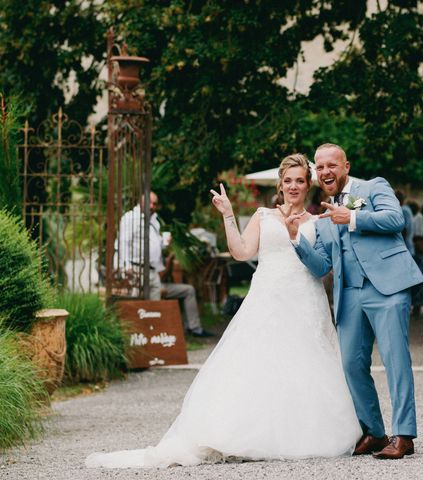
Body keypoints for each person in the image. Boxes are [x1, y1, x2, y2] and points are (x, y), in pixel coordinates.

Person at [86, 154, 361, 468]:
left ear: (308, 184)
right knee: (256, 364)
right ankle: (246, 432)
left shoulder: (318, 221)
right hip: (267, 298)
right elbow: (242, 252)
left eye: (300, 180)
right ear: (280, 185)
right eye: (288, 181)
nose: (294, 186)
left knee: (305, 364)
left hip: (304, 301)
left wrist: (297, 235)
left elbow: (322, 268)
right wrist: (229, 216)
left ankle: (300, 432)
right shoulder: (262, 215)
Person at [284, 143, 423, 460]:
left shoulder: (373, 187)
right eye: (319, 168)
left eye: (331, 165)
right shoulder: (321, 218)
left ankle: (404, 435)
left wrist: (353, 217)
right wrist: (296, 240)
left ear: (346, 165)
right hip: (350, 294)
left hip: (387, 287)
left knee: (395, 360)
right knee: (350, 364)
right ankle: (375, 432)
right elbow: (321, 266)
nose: (325, 172)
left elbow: (395, 219)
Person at [115, 192, 213, 338]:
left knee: (155, 305)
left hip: (152, 270)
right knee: (142, 305)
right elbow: (123, 244)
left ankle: (155, 338)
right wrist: (126, 266)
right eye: (150, 203)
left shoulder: (154, 220)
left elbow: (153, 244)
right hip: (136, 268)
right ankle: (139, 337)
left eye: (155, 204)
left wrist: (164, 243)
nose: (153, 206)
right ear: (140, 202)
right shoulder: (130, 218)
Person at [407, 200, 423, 314]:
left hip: (418, 251)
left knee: (419, 277)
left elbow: (419, 235)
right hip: (416, 251)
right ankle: (416, 304)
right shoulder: (415, 217)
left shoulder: (418, 218)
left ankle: (418, 305)